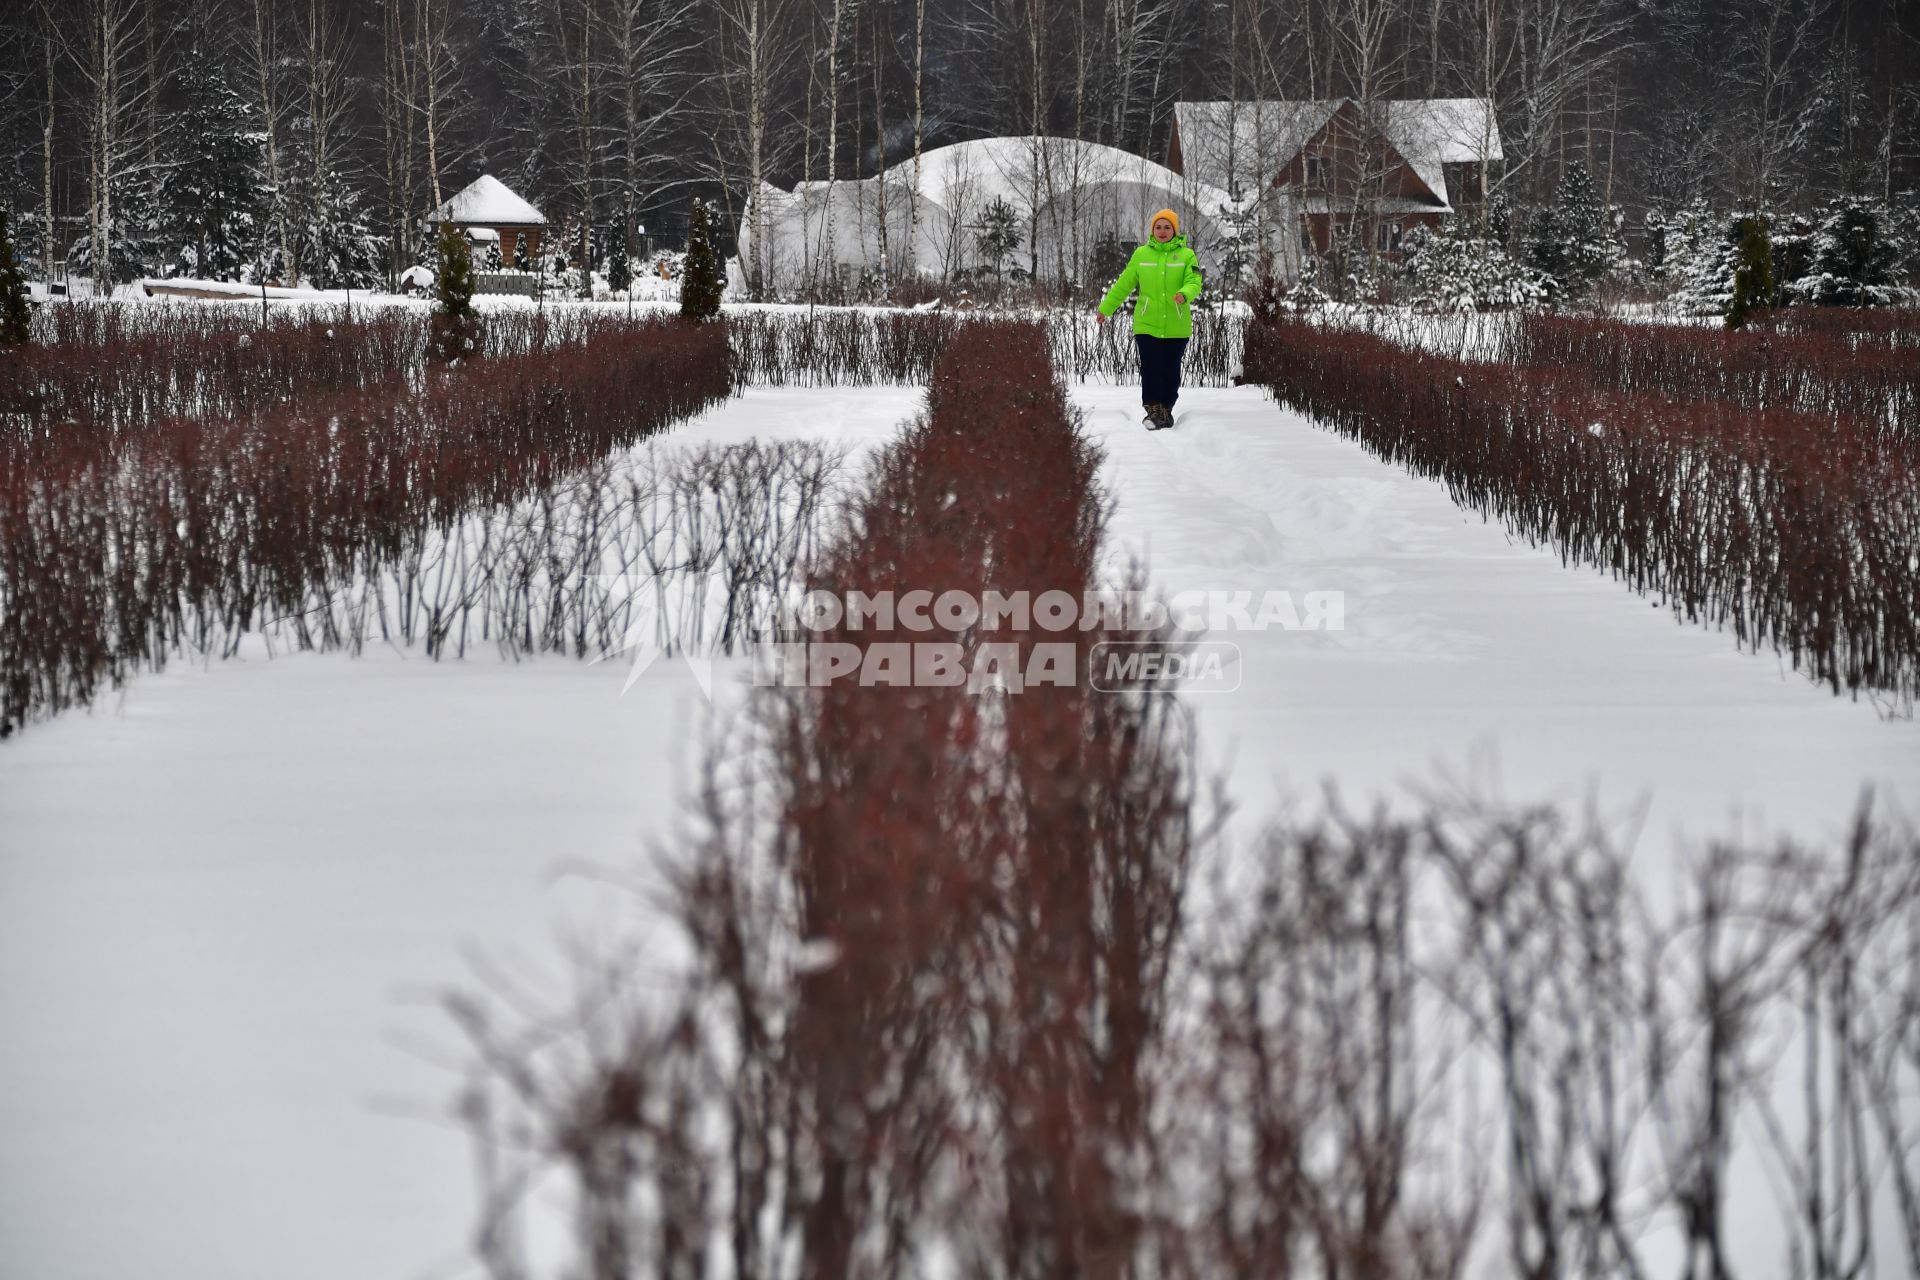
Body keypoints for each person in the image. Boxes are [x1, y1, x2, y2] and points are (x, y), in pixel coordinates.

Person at [1095, 208, 1204, 430]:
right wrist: (1105, 308)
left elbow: (1195, 281)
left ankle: (1166, 409)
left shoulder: (1187, 255)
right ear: (1152, 230)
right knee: (1151, 366)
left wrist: (1185, 294)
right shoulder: (1141, 254)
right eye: (1158, 227)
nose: (1162, 231)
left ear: (1174, 230)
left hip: (1177, 324)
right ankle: (1153, 410)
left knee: (1171, 369)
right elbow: (1124, 284)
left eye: (1167, 227)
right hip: (1146, 323)